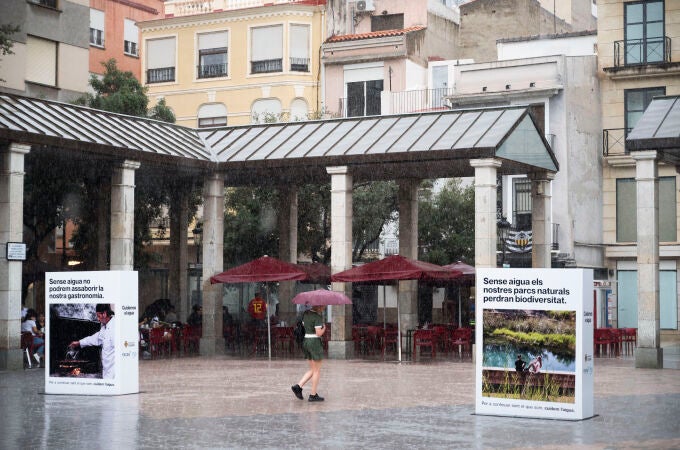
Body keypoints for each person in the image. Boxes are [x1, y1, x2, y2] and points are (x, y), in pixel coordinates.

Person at [69, 304, 115, 379]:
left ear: (104, 314)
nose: (98, 319)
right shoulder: (105, 328)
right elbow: (95, 338)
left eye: (98, 315)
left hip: (113, 374)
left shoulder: (115, 328)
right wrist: (79, 343)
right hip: (107, 372)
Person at [291, 304, 326, 402]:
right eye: (324, 306)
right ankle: (313, 395)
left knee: (313, 369)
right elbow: (318, 333)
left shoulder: (306, 314)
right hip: (314, 343)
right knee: (317, 370)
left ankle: (298, 386)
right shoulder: (317, 317)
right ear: (319, 306)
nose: (324, 307)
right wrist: (324, 328)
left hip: (306, 341)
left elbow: (304, 326)